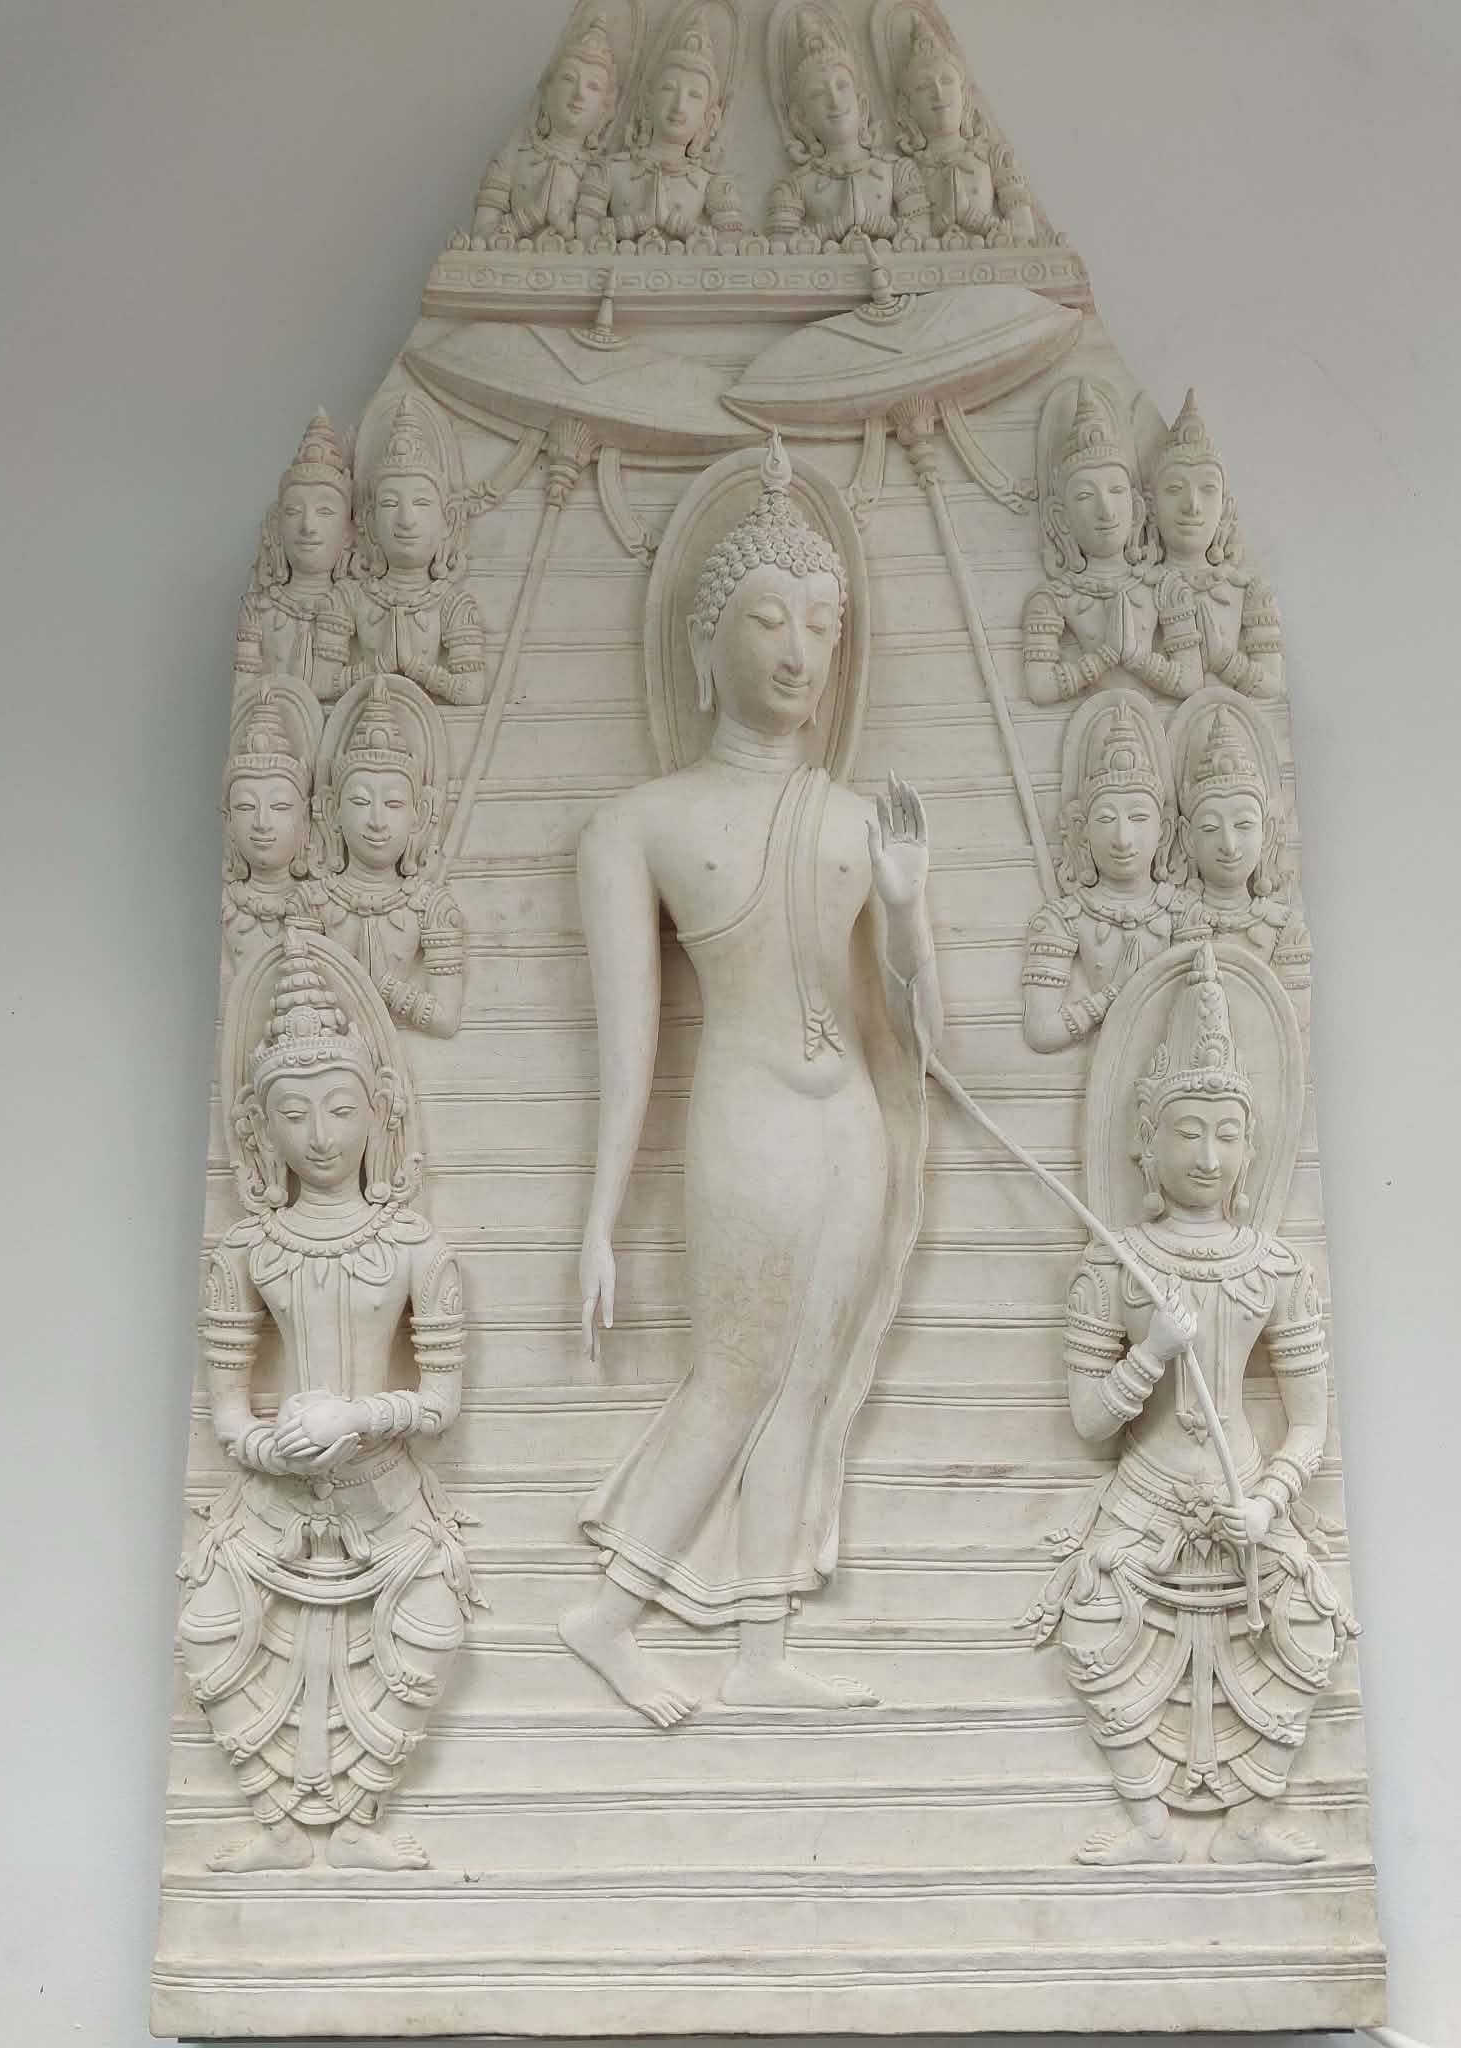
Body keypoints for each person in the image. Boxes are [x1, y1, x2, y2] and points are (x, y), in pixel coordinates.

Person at [559, 437, 939, 1726]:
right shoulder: (639, 824)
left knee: (810, 1380)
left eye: (823, 624)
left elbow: (920, 1034)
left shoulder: (857, 820)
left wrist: (907, 908)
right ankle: (607, 1613)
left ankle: (761, 1648)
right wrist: (600, 1219)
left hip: (850, 1128)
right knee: (737, 1368)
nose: (799, 651)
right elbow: (630, 1047)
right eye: (769, 618)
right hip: (747, 1116)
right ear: (705, 636)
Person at [1021, 944, 1355, 1866]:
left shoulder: (1276, 1269)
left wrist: (1269, 1501)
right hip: (1148, 1494)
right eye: (1188, 1132)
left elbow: (1310, 1421)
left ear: (1251, 1148)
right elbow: (1091, 1420)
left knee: (1310, 1627)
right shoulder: (1113, 1267)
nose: (1208, 1156)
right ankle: (1146, 1822)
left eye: (1226, 1135)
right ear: (1147, 1141)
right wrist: (1153, 1354)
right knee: (1092, 1625)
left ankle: (1250, 1822)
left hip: (1246, 1493)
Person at [177, 932, 478, 1872]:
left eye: (341, 1109)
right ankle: (278, 1822)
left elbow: (440, 1401)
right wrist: (270, 1445)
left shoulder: (418, 1249)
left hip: (386, 1494)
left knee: (432, 1630)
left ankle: (356, 1821)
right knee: (205, 1632)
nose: (319, 1134)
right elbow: (228, 1410)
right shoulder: (245, 1251)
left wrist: (358, 1419)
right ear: (257, 1126)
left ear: (379, 1109)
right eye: (294, 1112)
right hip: (273, 1498)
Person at [1022, 692, 1185, 1052]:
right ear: (1082, 831)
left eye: (1138, 818)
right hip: (1103, 1073)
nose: (1123, 838)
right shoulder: (1062, 918)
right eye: (1107, 819)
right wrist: (1113, 993)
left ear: (1165, 830)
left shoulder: (1186, 913)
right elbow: (1040, 1032)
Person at [1023, 382, 1202, 707]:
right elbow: (1040, 688)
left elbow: (1191, 680)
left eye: (1116, 492)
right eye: (1085, 496)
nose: (1106, 511)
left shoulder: (1166, 587)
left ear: (1137, 509)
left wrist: (1138, 659)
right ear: (1061, 518)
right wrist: (1103, 656)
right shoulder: (1053, 598)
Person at [312, 675, 467, 1039]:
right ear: (333, 810)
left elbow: (447, 1020)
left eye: (394, 803)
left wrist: (386, 987)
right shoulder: (312, 902)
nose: (377, 820)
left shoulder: (431, 907)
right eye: (360, 801)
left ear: (419, 815)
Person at [1172, 697, 1311, 1034]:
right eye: (1210, 828)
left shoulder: (1285, 928)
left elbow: (1294, 1024)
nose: (1229, 844)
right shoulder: (1174, 920)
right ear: (1187, 838)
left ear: (1268, 833)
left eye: (1244, 825)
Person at [345, 398, 488, 705]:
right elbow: (317, 682)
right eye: (390, 503)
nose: (406, 520)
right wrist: (376, 667)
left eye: (421, 503)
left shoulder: (452, 603)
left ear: (447, 521)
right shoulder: (349, 598)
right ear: (370, 523)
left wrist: (416, 668)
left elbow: (472, 691)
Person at [1144, 391, 1285, 700]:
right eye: (1174, 489)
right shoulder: (1139, 591)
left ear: (1224, 507)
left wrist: (1226, 661)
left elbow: (1273, 687)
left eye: (1207, 489)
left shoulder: (1248, 591)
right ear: (1151, 507)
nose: (1192, 506)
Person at [577, 8, 746, 243]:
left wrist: (670, 222)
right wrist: (639, 221)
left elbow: (732, 244)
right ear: (647, 104)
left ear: (709, 119)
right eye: (669, 89)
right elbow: (583, 235)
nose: (679, 105)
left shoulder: (711, 183)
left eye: (694, 95)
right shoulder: (609, 171)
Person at [765, 7, 927, 244]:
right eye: (818, 94)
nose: (835, 101)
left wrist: (872, 222)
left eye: (842, 86)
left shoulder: (897, 171)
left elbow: (923, 236)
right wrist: (836, 226)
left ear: (862, 104)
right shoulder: (793, 187)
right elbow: (780, 250)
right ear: (801, 119)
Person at [234, 411, 356, 704]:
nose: (308, 527)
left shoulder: (355, 606)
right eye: (293, 511)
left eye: (324, 511)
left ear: (348, 534)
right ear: (276, 528)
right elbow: (243, 699)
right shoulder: (259, 607)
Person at [472, 12, 620, 242]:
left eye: (593, 86)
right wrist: (527, 219)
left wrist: (562, 226)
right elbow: (480, 237)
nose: (579, 94)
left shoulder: (598, 173)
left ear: (604, 111)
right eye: (569, 79)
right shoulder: (510, 161)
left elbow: (591, 245)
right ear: (547, 92)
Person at [889, 14, 1033, 243]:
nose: (939, 94)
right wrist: (943, 222)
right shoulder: (909, 170)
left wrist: (973, 219)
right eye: (924, 86)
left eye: (947, 81)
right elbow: (914, 242)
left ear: (964, 98)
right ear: (909, 109)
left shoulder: (994, 156)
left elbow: (1026, 234)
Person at [219, 679, 321, 982]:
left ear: (305, 819)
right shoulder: (228, 907)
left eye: (279, 806)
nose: (262, 822)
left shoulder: (318, 906)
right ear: (228, 821)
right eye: (246, 807)